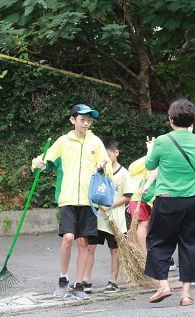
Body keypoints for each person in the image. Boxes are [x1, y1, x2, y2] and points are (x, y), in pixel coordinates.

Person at [31, 104, 112, 300]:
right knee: (68, 238)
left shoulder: (96, 142)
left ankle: (78, 284)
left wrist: (101, 168)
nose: (86, 123)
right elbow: (43, 159)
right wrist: (38, 163)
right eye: (82, 119)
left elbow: (106, 171)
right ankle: (63, 278)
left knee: (83, 241)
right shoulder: (63, 142)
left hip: (88, 201)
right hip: (67, 198)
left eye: (89, 120)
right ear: (72, 120)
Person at [142, 98, 195, 307]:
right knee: (192, 244)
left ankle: (164, 285)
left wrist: (150, 150)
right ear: (192, 121)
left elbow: (149, 164)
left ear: (171, 119)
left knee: (158, 241)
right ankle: (186, 295)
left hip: (167, 201)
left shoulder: (163, 141)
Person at [82, 139, 133, 293]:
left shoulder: (124, 173)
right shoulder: (99, 171)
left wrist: (111, 205)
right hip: (98, 218)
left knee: (114, 250)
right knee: (90, 247)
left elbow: (128, 196)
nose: (106, 158)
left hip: (115, 219)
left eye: (108, 155)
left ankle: (113, 280)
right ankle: (86, 280)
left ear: (116, 153)